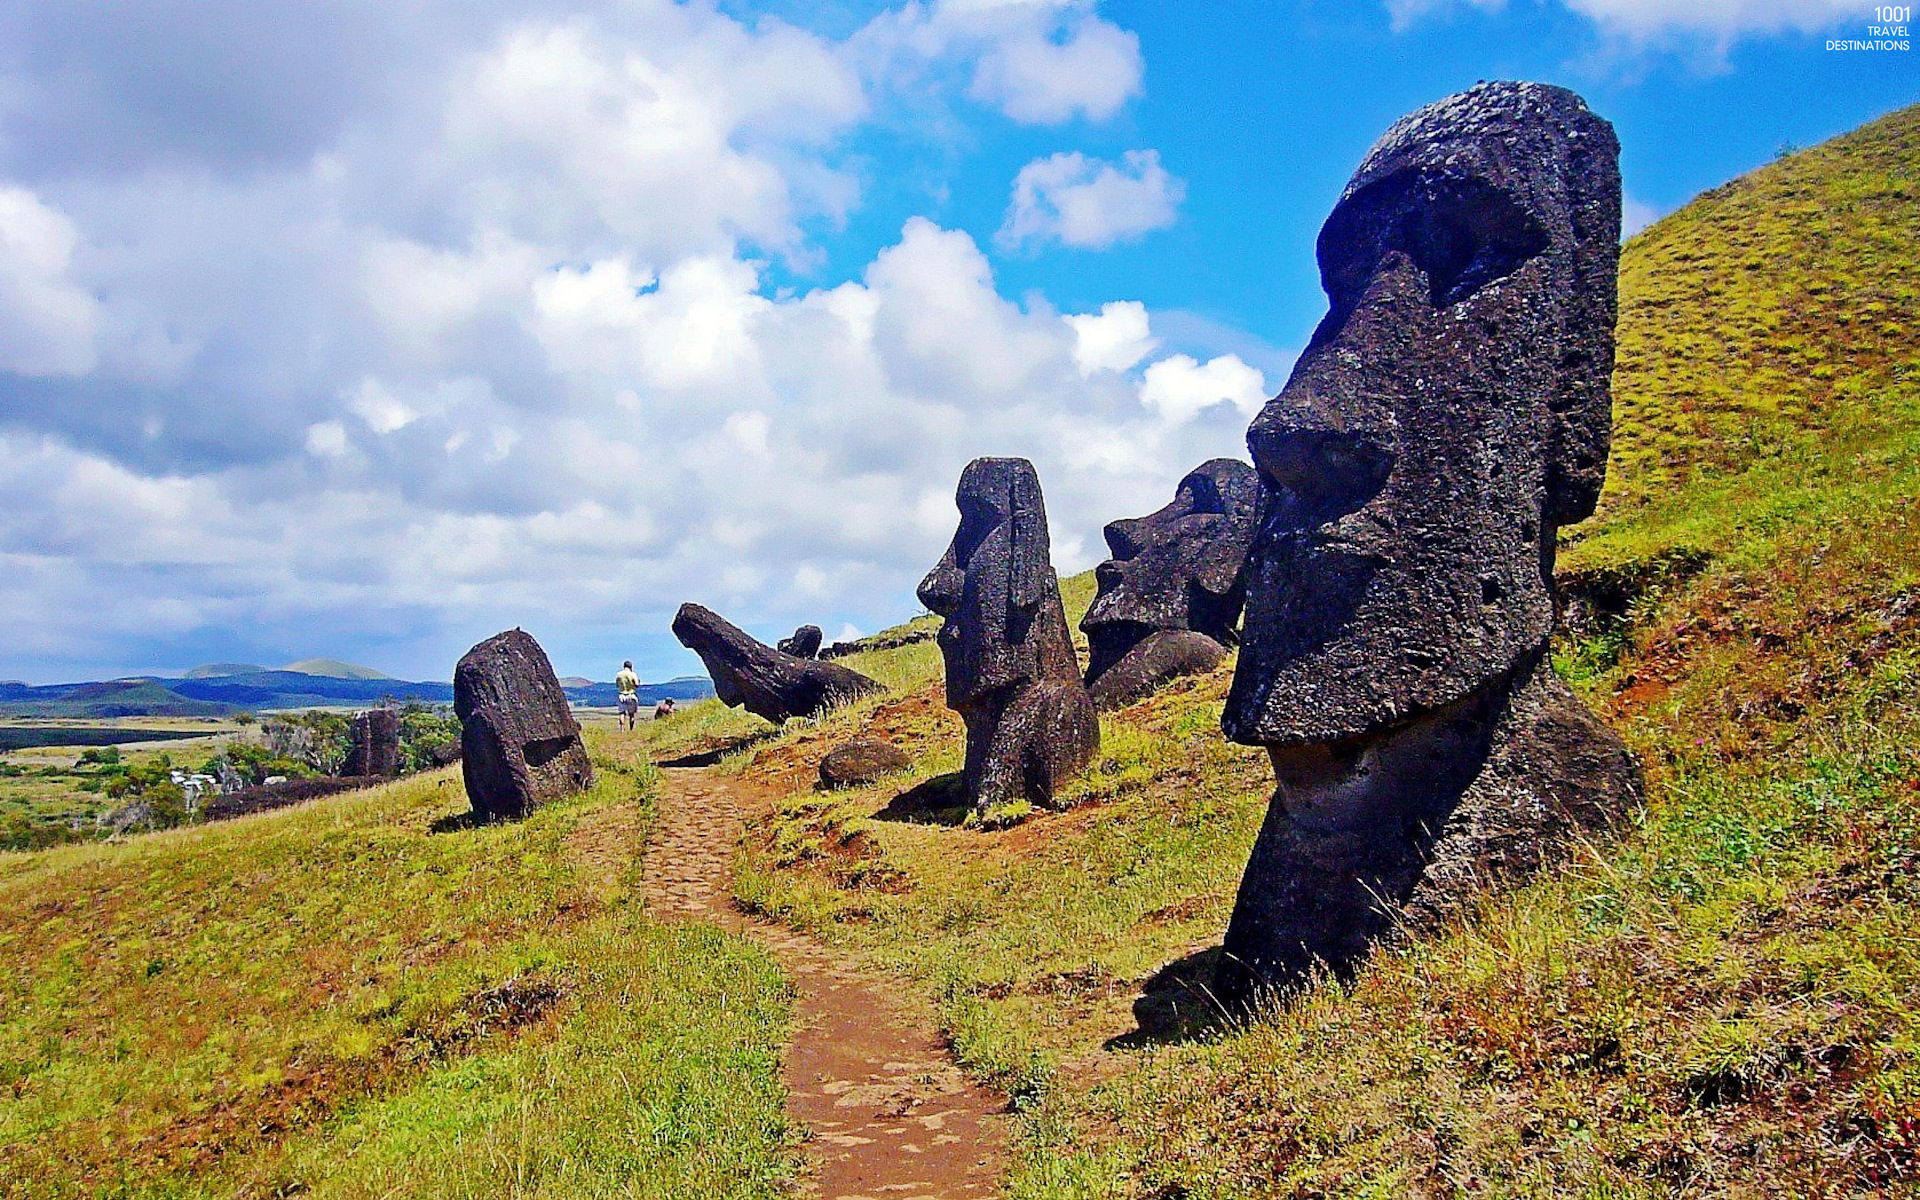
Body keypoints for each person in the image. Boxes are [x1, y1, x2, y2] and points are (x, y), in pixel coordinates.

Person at [614, 660, 641, 730]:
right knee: (631, 714)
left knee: (622, 713)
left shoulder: (619, 674)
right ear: (631, 666)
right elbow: (637, 684)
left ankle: (622, 728)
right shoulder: (633, 674)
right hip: (631, 694)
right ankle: (631, 729)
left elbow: (617, 685)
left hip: (621, 694)